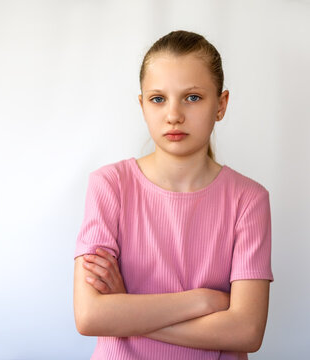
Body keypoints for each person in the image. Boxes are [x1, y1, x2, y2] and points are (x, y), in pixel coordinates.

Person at [73, 30, 273, 360]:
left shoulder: (248, 199)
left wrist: (126, 311)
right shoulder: (109, 185)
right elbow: (90, 316)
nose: (174, 114)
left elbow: (247, 332)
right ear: (142, 105)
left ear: (221, 105)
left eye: (192, 97)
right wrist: (204, 301)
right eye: (158, 98)